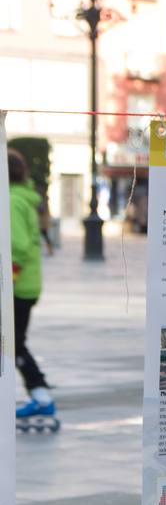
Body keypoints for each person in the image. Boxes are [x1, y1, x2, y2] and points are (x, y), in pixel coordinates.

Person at [8, 148, 53, 418]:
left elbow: (18, 246)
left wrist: (8, 282)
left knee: (13, 344)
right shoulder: (23, 197)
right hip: (27, 283)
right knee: (14, 343)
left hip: (17, 285)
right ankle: (40, 394)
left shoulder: (12, 200)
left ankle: (40, 395)